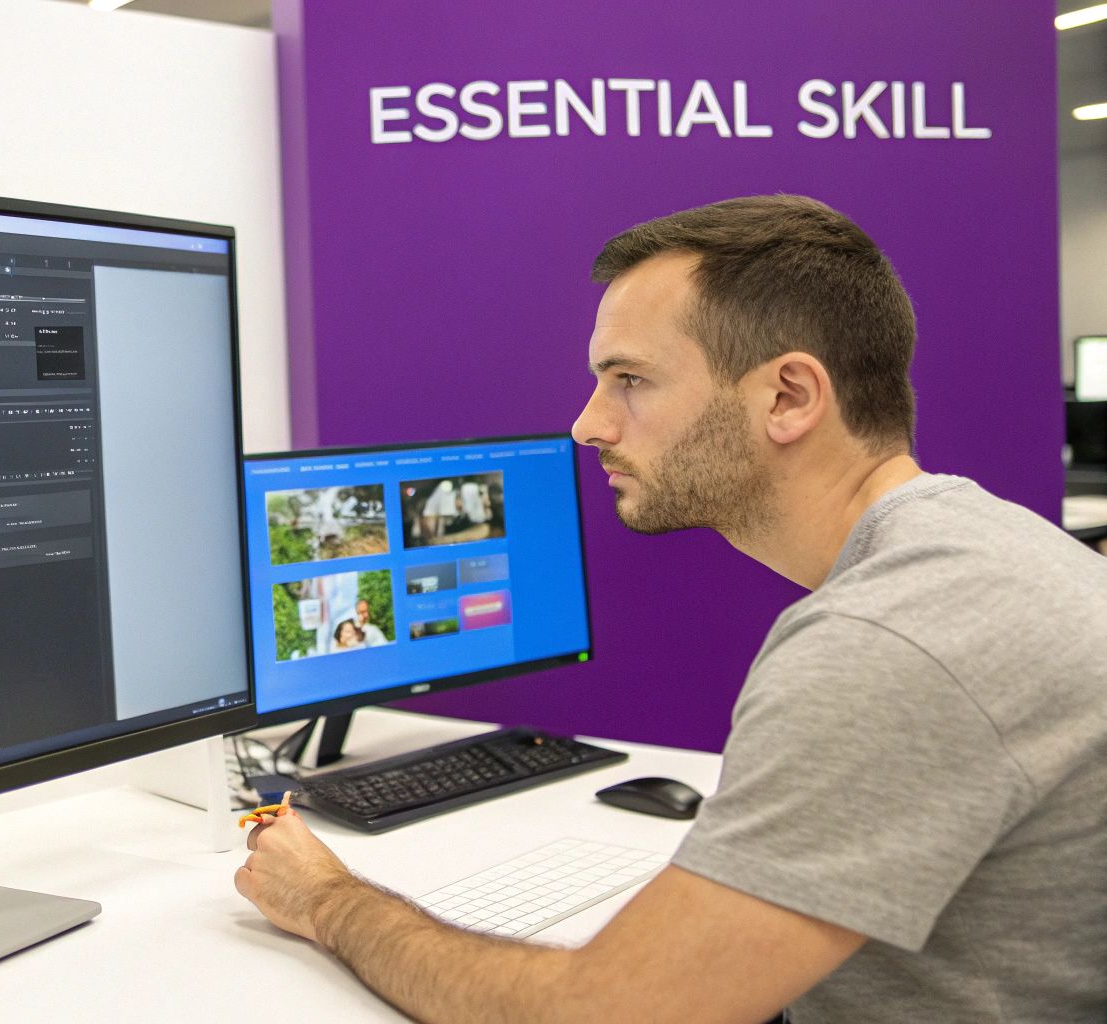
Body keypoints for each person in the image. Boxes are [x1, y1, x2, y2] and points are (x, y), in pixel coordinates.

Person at [234, 196, 1107, 1022]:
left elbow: (610, 1012)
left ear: (789, 397)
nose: (586, 425)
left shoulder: (888, 645)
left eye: (629, 380)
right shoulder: (981, 547)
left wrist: (328, 900)